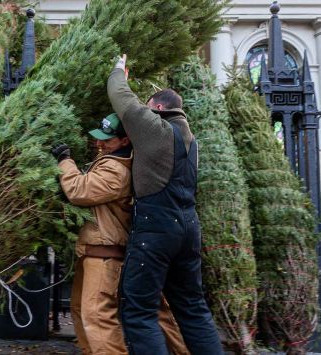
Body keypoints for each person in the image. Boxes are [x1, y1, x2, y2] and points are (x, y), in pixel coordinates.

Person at [107, 55, 224, 355]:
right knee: (192, 309)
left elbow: (120, 95)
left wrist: (119, 69)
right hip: (188, 230)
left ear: (158, 108)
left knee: (138, 311)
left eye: (148, 107)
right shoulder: (192, 141)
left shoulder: (156, 129)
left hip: (156, 230)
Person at [51, 114, 189, 355]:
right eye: (99, 139)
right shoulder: (110, 159)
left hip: (105, 255)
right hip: (94, 251)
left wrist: (65, 161)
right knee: (80, 310)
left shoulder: (117, 170)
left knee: (97, 316)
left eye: (108, 140)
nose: (100, 144)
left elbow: (80, 190)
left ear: (126, 141)